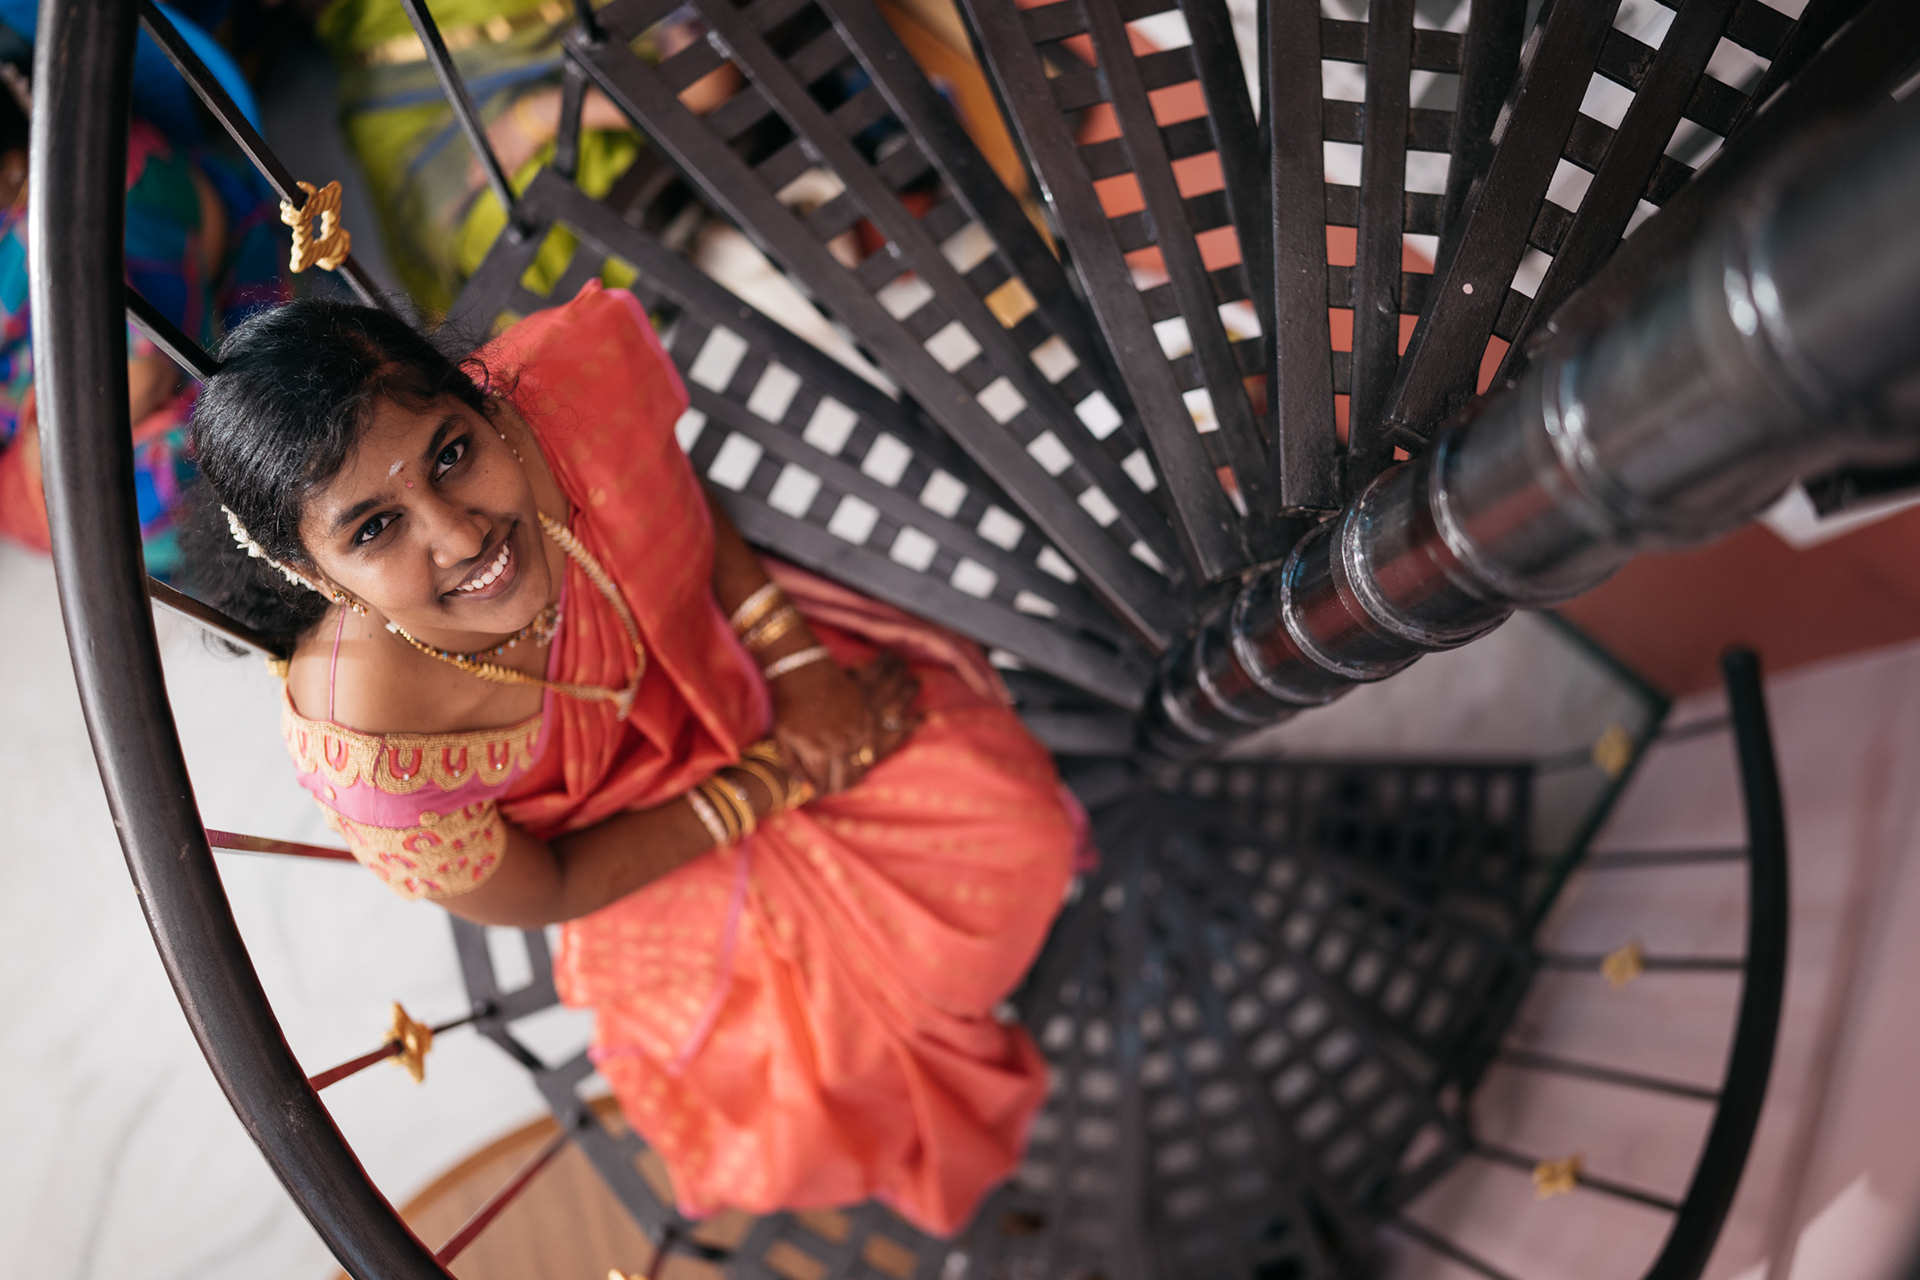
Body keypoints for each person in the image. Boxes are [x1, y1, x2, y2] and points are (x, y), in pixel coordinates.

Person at [180, 281, 1078, 1235]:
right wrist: (777, 780)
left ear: (483, 405)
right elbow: (548, 889)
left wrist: (797, 662)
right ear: (315, 577)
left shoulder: (559, 400)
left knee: (1008, 829)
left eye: (452, 454)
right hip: (639, 848)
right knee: (817, 1076)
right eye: (373, 528)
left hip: (725, 664)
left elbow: (669, 494)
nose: (459, 534)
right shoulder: (372, 750)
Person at [0, 19, 286, 578]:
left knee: (168, 494)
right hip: (79, 352)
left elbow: (152, 371)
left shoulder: (109, 201)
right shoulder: (23, 202)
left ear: (14, 170)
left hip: (182, 347)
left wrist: (45, 444)